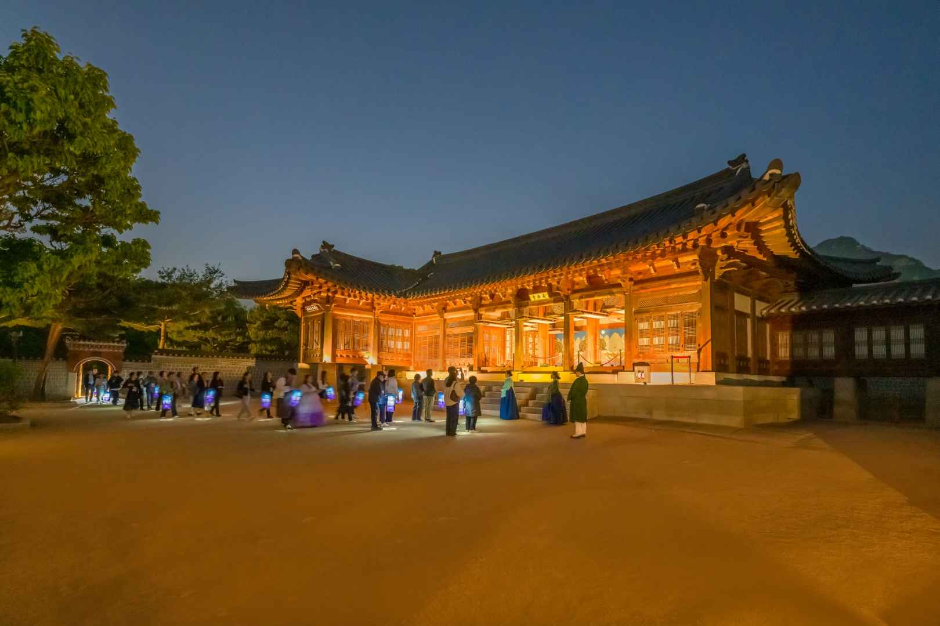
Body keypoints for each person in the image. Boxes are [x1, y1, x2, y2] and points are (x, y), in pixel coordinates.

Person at [568, 363, 589, 439]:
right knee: (582, 416)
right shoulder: (585, 380)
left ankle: (578, 433)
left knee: (577, 416)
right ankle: (583, 431)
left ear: (579, 372)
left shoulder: (578, 381)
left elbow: (574, 391)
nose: (575, 373)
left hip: (577, 401)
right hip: (582, 400)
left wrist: (570, 397)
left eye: (576, 372)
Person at [443, 366, 461, 436]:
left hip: (447, 400)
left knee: (449, 417)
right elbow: (459, 392)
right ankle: (452, 431)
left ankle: (448, 431)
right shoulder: (455, 381)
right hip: (454, 401)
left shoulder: (446, 380)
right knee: (454, 416)